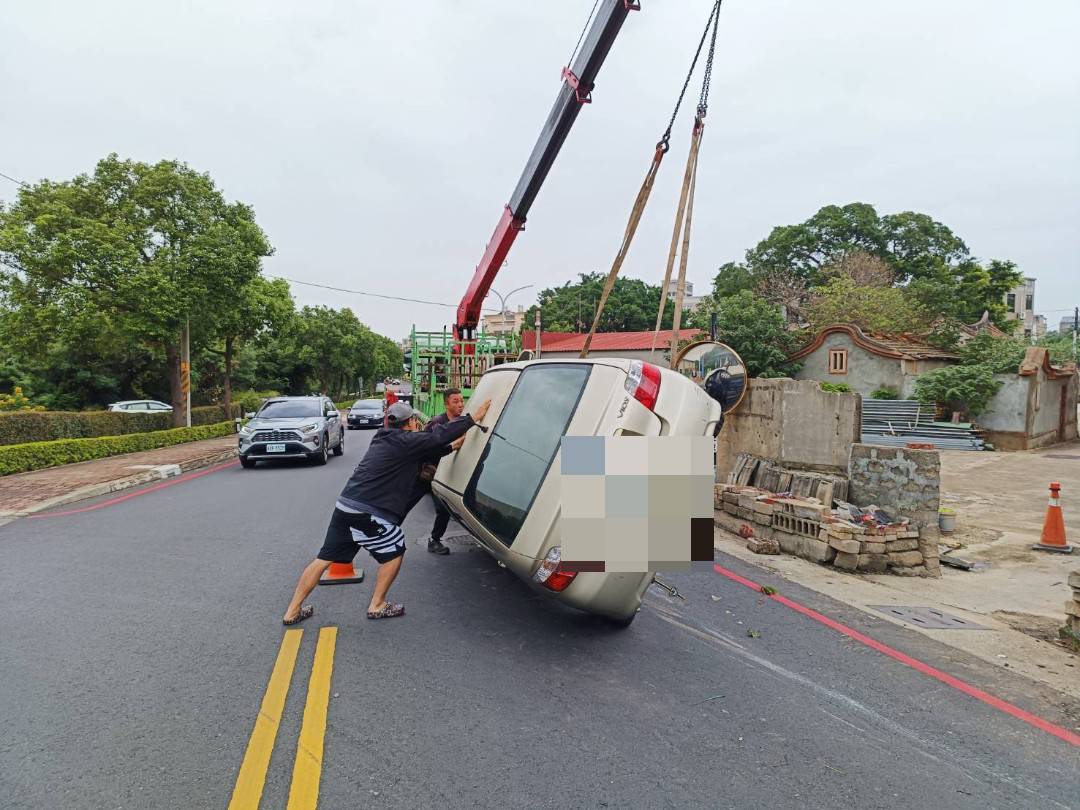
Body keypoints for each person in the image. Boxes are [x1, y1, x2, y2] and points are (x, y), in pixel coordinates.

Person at [282, 398, 491, 624]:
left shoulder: (383, 438)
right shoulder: (406, 441)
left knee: (323, 559)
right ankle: (377, 605)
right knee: (395, 550)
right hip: (368, 511)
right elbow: (437, 436)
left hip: (346, 504)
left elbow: (425, 449)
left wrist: (451, 447)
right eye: (413, 421)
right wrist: (472, 418)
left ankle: (292, 610)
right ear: (410, 422)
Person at [423, 387, 466, 555]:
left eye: (462, 401)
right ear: (446, 404)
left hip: (449, 472)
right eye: (456, 401)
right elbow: (424, 446)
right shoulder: (437, 423)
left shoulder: (463, 422)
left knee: (444, 507)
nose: (460, 405)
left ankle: (434, 540)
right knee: (406, 503)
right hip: (429, 473)